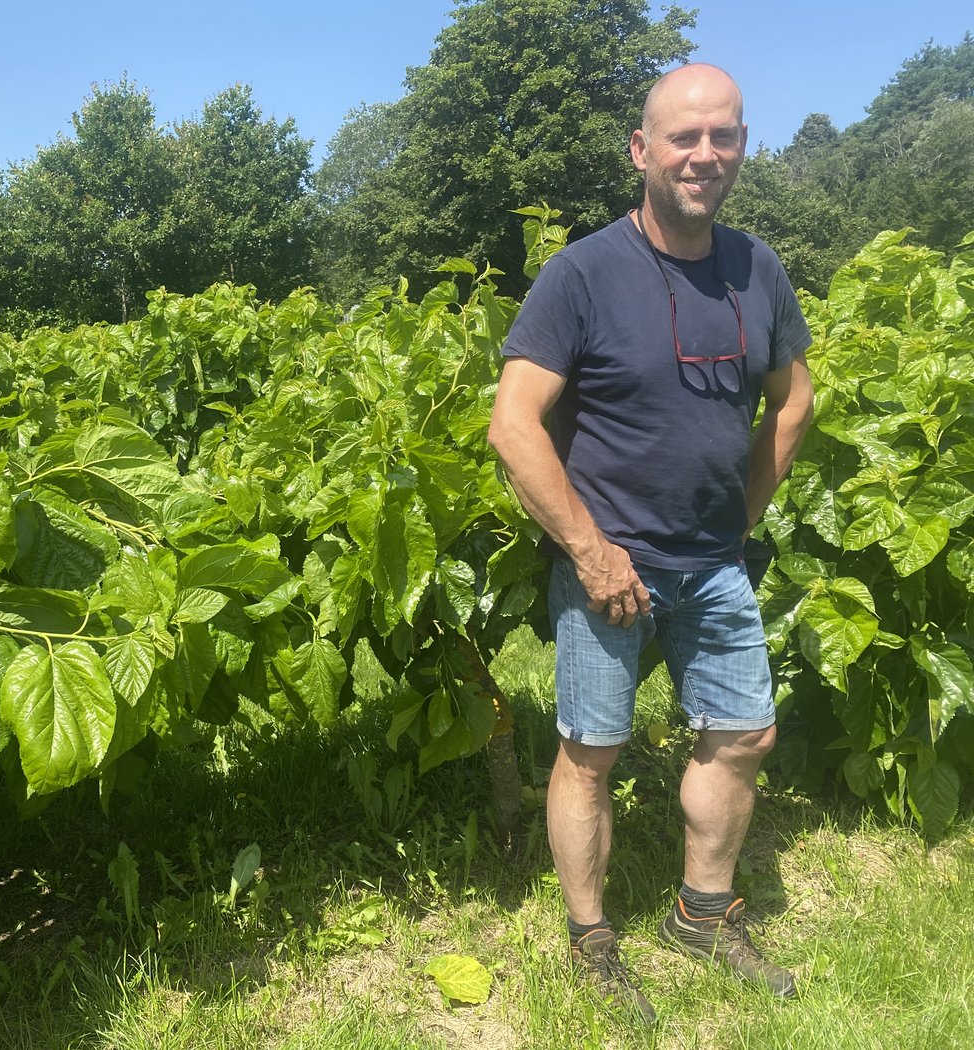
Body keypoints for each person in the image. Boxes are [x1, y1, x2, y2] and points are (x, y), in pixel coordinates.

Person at [487, 63, 814, 1023]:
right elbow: (515, 425)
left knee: (744, 733)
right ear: (641, 150)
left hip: (713, 562)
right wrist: (591, 551)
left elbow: (793, 403)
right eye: (682, 137)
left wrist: (740, 519)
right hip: (608, 571)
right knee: (593, 749)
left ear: (743, 147)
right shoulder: (582, 273)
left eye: (722, 136)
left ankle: (702, 915)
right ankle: (592, 937)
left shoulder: (758, 267)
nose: (703, 155)